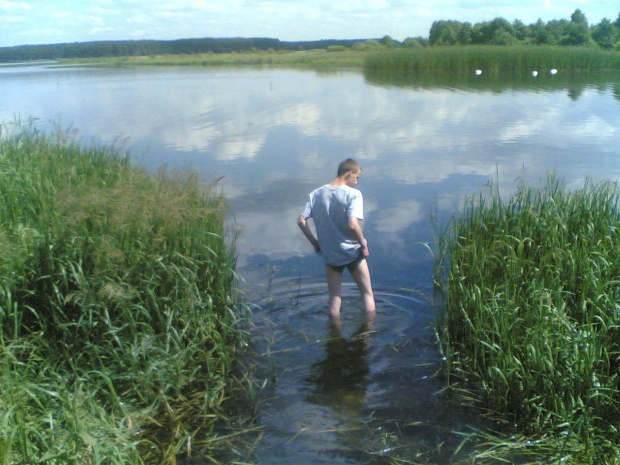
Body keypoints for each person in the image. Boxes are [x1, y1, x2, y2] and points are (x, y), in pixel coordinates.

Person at [297, 158, 376, 317]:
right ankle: (369, 332)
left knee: (334, 299)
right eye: (357, 177)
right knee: (367, 294)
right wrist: (363, 243)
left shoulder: (316, 194)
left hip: (330, 253)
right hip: (352, 252)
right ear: (349, 173)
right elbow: (353, 225)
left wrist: (315, 243)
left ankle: (334, 331)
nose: (357, 182)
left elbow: (301, 221)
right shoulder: (353, 194)